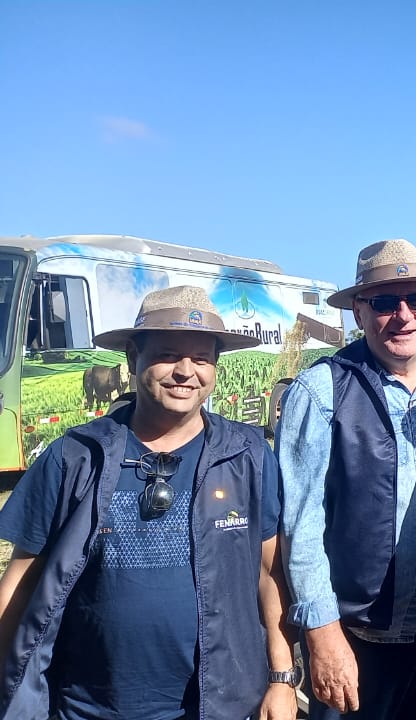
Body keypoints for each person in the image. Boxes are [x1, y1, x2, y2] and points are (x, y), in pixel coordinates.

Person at [0, 286, 297, 719]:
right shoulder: (76, 456)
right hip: (89, 706)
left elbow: (269, 576)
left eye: (201, 359)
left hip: (219, 706)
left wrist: (282, 678)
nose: (185, 371)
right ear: (132, 358)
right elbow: (19, 586)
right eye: (168, 354)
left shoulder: (248, 454)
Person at [276, 239, 416, 719]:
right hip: (355, 636)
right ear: (358, 311)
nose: (404, 315)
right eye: (386, 302)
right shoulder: (322, 389)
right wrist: (323, 635)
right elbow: (299, 524)